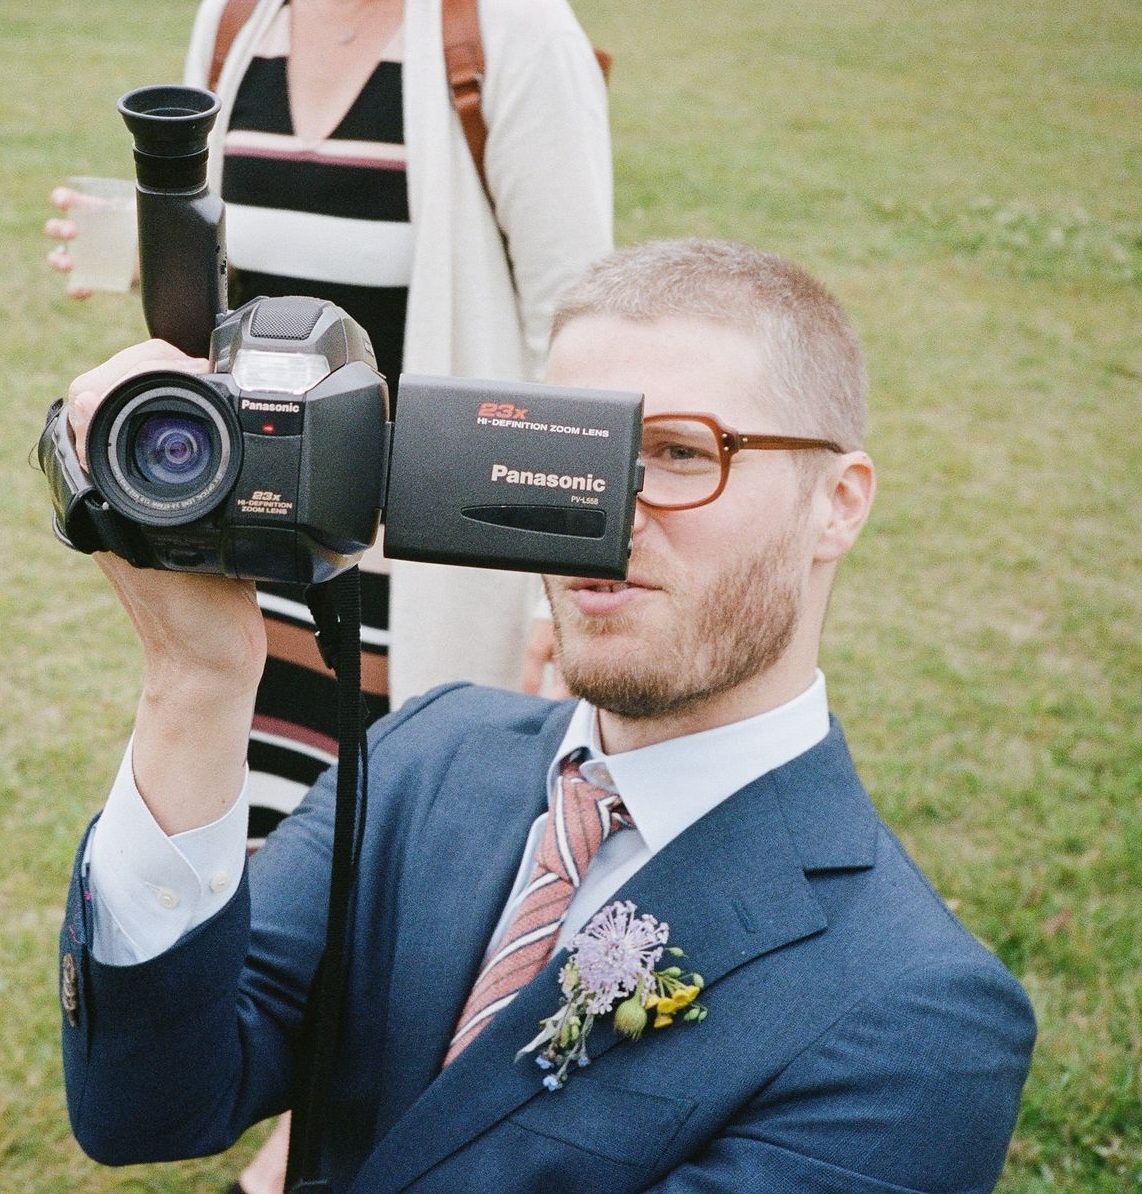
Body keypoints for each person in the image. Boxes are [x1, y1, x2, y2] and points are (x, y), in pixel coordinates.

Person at [51, 239, 1037, 1193]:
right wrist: (199, 684)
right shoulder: (427, 751)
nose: (607, 512)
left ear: (841, 503)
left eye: (684, 452)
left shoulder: (918, 1019)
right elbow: (148, 1104)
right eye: (575, 450)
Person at [48, 0, 612, 850]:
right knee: (258, 887)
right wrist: (148, 254)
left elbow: (579, 330)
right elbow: (220, 302)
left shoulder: (507, 18)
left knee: (394, 889)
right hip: (254, 572)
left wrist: (551, 592)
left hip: (426, 583)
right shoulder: (237, 11)